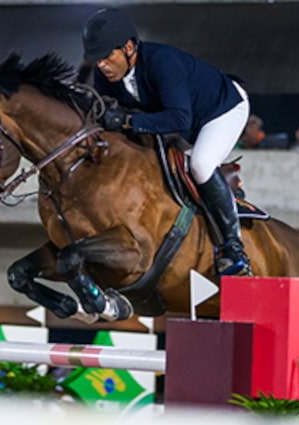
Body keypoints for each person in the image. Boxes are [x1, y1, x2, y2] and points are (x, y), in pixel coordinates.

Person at [82, 8, 251, 277]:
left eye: (106, 57)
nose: (101, 65)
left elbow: (179, 120)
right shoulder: (105, 75)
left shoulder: (162, 62)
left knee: (201, 164)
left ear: (128, 47)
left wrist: (127, 121)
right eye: (97, 59)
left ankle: (234, 247)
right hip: (177, 116)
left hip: (220, 109)